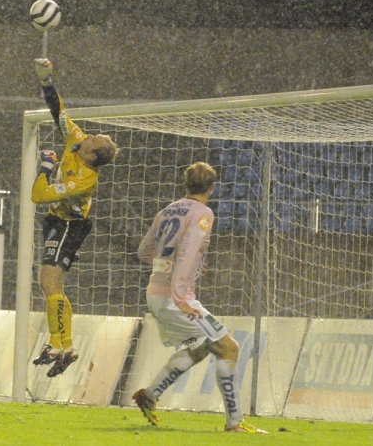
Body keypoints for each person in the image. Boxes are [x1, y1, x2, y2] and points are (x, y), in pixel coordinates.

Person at [132, 162, 268, 434]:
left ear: (185, 185)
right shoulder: (203, 213)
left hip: (155, 292)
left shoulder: (166, 210)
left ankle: (149, 395)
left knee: (203, 346)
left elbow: (145, 252)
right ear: (212, 187)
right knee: (228, 348)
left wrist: (177, 267)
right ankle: (234, 423)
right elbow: (188, 250)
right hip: (176, 297)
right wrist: (181, 294)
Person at [30, 58, 118, 377]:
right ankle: (66, 347)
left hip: (71, 225)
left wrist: (44, 167)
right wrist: (46, 81)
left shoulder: (84, 180)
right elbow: (59, 112)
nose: (89, 135)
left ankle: (57, 343)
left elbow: (38, 195)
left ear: (93, 155)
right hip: (58, 221)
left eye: (95, 140)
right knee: (53, 284)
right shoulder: (76, 140)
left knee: (48, 280)